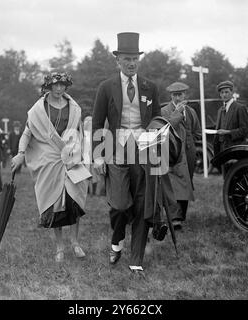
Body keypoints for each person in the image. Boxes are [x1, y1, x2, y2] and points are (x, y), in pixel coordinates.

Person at [92, 32, 162, 276]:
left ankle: (136, 258)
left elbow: (156, 122)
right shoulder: (106, 87)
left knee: (143, 204)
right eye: (126, 59)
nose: (131, 63)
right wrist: (98, 156)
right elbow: (97, 122)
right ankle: (117, 240)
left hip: (144, 152)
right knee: (120, 205)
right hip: (116, 149)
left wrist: (157, 151)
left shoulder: (150, 87)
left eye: (135, 58)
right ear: (117, 60)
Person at [11, 72, 89, 263]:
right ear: (48, 87)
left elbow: (80, 133)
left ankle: (75, 242)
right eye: (55, 85)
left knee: (75, 201)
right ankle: (60, 247)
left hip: (72, 157)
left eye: (62, 85)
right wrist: (21, 154)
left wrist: (85, 155)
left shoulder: (74, 107)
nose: (59, 89)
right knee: (55, 204)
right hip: (49, 160)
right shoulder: (39, 109)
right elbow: (27, 133)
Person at [161, 82, 201, 230]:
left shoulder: (190, 111)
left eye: (180, 94)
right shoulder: (164, 111)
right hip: (173, 153)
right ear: (170, 96)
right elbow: (167, 127)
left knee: (186, 183)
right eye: (174, 95)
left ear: (185, 95)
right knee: (173, 184)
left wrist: (192, 145)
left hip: (189, 153)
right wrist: (177, 112)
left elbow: (196, 130)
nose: (178, 97)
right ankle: (174, 218)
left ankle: (180, 216)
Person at [213, 81, 248, 175]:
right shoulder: (220, 110)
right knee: (226, 179)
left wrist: (228, 132)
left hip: (236, 150)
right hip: (222, 151)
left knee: (238, 178)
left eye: (226, 92)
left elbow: (244, 131)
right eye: (222, 93)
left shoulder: (240, 108)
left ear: (232, 92)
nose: (224, 95)